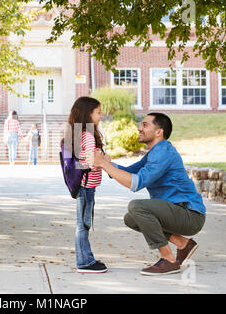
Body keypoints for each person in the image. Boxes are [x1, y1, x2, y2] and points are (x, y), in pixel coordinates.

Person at [86, 113, 206, 276]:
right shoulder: (155, 152)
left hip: (189, 214)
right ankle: (183, 244)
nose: (140, 128)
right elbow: (129, 172)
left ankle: (169, 259)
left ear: (159, 132)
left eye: (145, 125)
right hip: (177, 211)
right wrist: (107, 163)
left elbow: (136, 182)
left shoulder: (163, 152)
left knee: (137, 207)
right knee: (131, 218)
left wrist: (104, 165)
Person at [65, 96, 107, 274]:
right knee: (83, 225)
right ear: (88, 114)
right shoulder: (88, 136)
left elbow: (78, 161)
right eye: (98, 112)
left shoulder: (78, 133)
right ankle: (84, 262)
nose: (101, 116)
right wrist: (103, 160)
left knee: (84, 224)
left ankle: (86, 257)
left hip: (85, 185)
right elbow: (89, 162)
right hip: (86, 187)